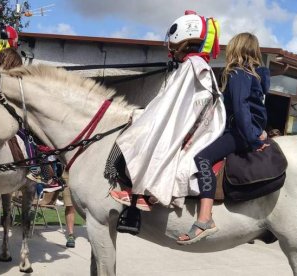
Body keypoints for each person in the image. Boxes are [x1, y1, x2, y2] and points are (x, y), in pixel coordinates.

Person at [110, 11, 224, 210]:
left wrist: (139, 115)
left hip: (191, 127)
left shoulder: (191, 65)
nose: (171, 49)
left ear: (180, 39)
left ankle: (143, 194)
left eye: (172, 44)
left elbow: (167, 105)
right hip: (200, 125)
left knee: (146, 137)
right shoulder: (199, 64)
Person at [177, 32, 270, 244]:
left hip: (239, 132)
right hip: (249, 131)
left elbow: (241, 108)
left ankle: (204, 219)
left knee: (201, 158)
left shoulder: (237, 73)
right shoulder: (256, 75)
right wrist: (260, 131)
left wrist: (254, 140)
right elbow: (259, 109)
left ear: (236, 48)